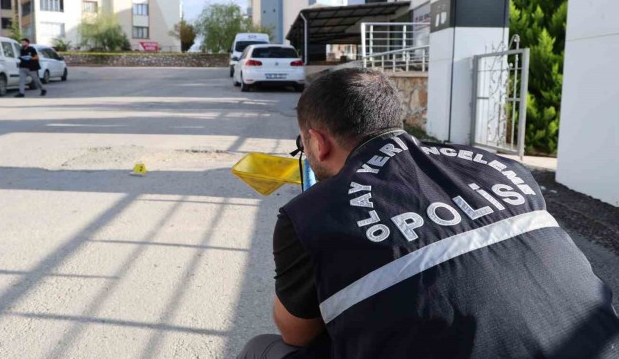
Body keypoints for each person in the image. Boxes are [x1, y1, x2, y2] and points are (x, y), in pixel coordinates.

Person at [238, 68, 619, 359]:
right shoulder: (502, 167)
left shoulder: (311, 214)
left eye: (302, 143)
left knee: (262, 348)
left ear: (317, 142)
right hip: (602, 345)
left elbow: (297, 333)